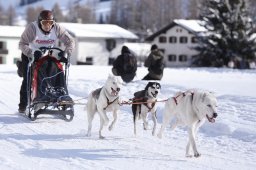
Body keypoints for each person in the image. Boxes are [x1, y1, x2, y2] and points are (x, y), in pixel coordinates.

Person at [17, 10, 75, 113]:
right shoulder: (32, 28)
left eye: (50, 23)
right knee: (28, 79)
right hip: (30, 54)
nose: (48, 26)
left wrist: (66, 52)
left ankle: (61, 95)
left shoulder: (57, 28)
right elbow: (22, 44)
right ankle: (23, 105)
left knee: (56, 70)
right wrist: (31, 53)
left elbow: (70, 41)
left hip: (47, 55)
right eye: (45, 23)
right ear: (40, 22)